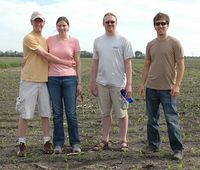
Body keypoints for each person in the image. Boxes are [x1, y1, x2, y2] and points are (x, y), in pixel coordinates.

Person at [16, 11, 74, 157]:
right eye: (36, 21)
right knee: (25, 114)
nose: (38, 24)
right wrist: (66, 63)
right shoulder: (29, 38)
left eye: (41, 21)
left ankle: (47, 141)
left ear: (44, 23)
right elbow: (45, 55)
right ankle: (22, 143)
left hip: (44, 81)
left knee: (45, 113)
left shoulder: (45, 39)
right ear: (31, 23)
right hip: (29, 80)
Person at [139, 12, 185, 160]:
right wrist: (142, 84)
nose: (160, 26)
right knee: (152, 119)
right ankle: (153, 145)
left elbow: (181, 65)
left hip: (168, 89)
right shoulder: (150, 44)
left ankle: (177, 149)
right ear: (154, 26)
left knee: (171, 120)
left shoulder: (175, 43)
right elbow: (146, 65)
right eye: (158, 23)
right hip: (151, 87)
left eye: (163, 23)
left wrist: (177, 85)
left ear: (168, 25)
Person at [90, 12, 133, 151]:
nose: (109, 24)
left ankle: (123, 141)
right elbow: (95, 63)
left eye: (112, 22)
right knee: (105, 114)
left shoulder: (124, 40)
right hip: (102, 84)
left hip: (119, 85)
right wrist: (93, 82)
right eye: (107, 22)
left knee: (122, 113)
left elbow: (128, 64)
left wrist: (129, 85)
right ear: (103, 24)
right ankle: (105, 140)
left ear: (116, 23)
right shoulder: (98, 41)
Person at [47, 16, 82, 154]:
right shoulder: (49, 40)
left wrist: (79, 82)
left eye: (64, 25)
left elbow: (78, 62)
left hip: (70, 79)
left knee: (71, 113)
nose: (62, 28)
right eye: (59, 25)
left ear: (68, 26)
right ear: (56, 26)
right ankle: (58, 144)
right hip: (53, 79)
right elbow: (46, 56)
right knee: (57, 114)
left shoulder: (74, 41)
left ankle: (75, 143)